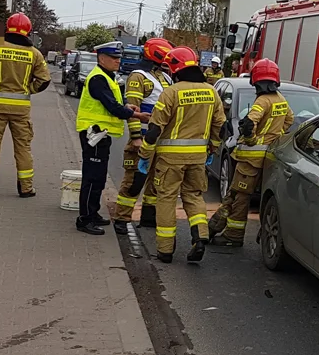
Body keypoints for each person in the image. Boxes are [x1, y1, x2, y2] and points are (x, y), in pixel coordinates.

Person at [139, 47, 226, 263]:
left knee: (167, 199)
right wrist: (212, 149)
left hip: (170, 159)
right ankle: (201, 235)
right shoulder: (211, 91)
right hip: (197, 158)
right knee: (194, 196)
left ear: (175, 67)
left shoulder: (171, 92)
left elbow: (154, 130)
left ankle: (166, 250)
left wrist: (144, 155)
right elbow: (220, 127)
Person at [209, 58, 292, 247]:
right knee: (253, 197)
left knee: (239, 196)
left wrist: (251, 140)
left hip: (250, 161)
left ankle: (233, 235)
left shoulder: (262, 101)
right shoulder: (281, 99)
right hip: (268, 158)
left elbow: (248, 124)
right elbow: (289, 120)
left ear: (255, 79)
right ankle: (219, 226)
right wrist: (275, 136)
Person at [0, 14, 52, 199]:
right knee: (23, 148)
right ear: (28, 31)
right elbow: (44, 80)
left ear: (7, 28)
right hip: (21, 109)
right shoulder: (35, 53)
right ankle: (26, 188)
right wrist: (29, 89)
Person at [74, 41, 146, 235]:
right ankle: (85, 219)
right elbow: (111, 106)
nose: (118, 61)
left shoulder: (108, 77)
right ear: (101, 58)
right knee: (92, 177)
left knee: (99, 177)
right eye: (114, 58)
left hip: (100, 135)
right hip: (94, 134)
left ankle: (93, 212)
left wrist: (127, 107)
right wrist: (136, 115)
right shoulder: (98, 78)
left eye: (119, 58)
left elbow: (115, 102)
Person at [112, 37, 173, 234]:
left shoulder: (164, 77)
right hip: (143, 139)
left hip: (160, 140)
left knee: (156, 181)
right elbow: (133, 109)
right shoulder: (138, 77)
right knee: (133, 181)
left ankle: (148, 217)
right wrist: (136, 137)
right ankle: (122, 218)